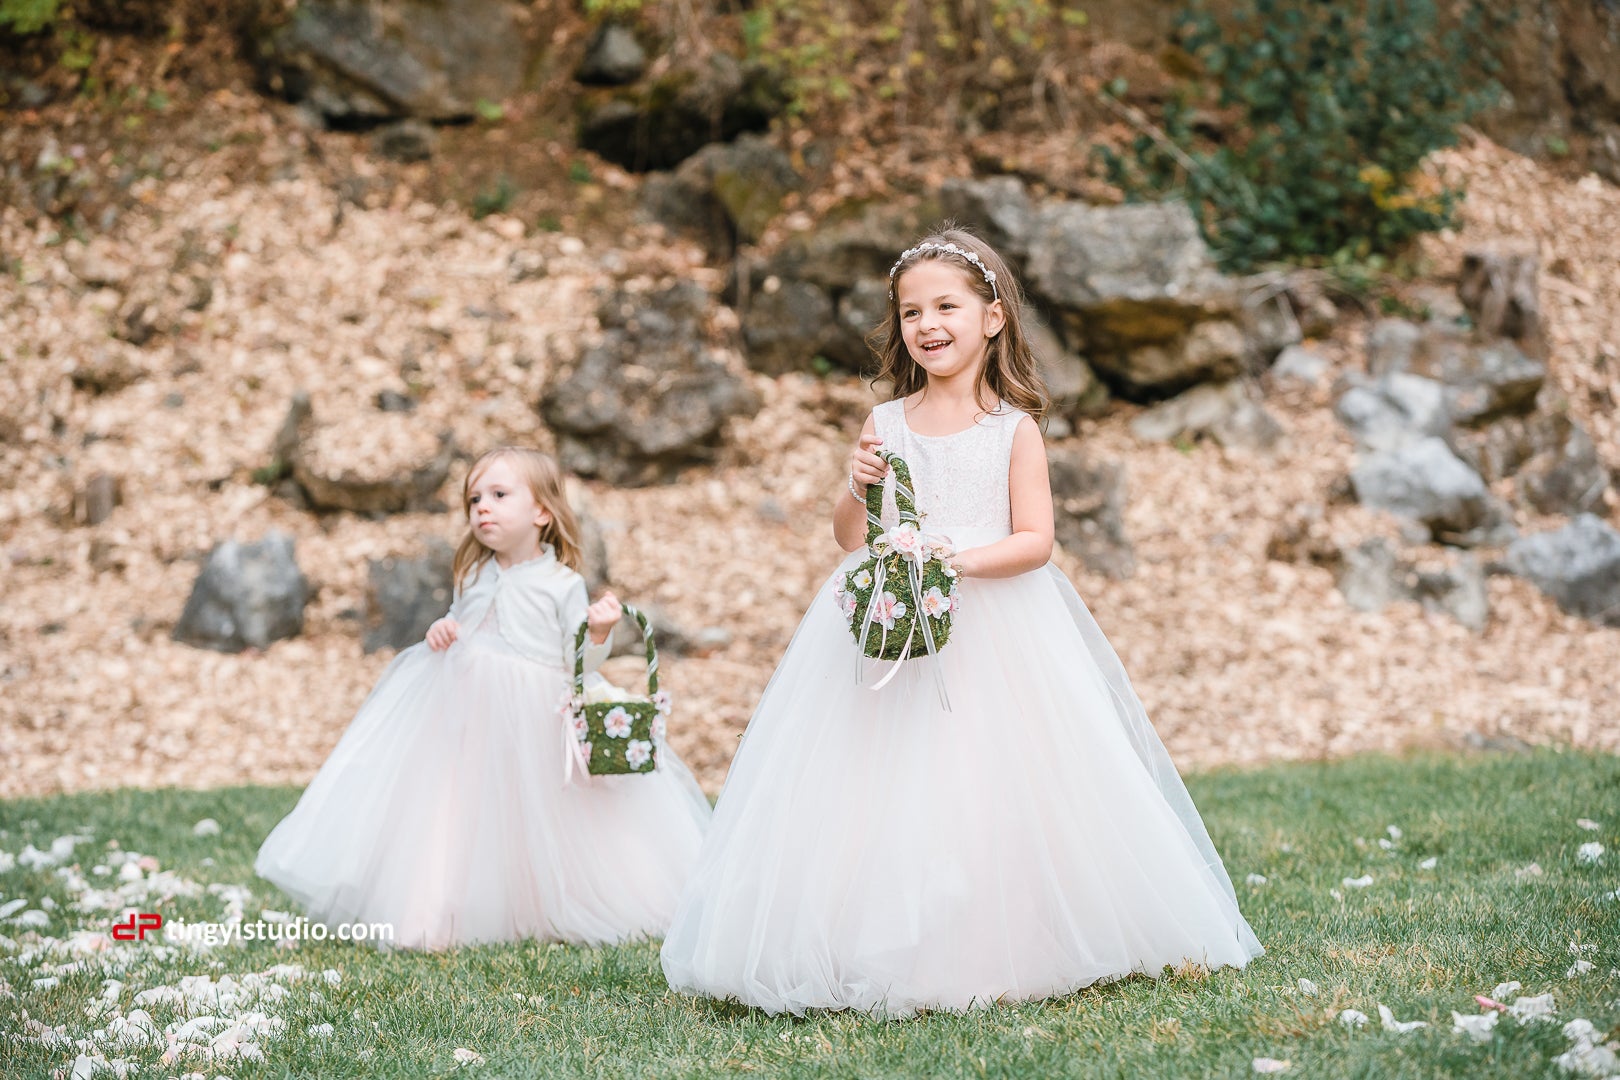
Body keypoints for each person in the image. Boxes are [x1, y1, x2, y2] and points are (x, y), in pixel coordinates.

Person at [660, 229, 1263, 1015]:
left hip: (993, 625)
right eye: (911, 311)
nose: (927, 323)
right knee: (877, 784)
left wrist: (954, 564)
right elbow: (850, 537)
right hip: (893, 623)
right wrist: (856, 483)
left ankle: (1000, 936)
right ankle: (866, 936)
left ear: (993, 318)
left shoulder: (1013, 429)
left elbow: (1035, 541)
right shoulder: (887, 421)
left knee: (989, 782)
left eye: (946, 305)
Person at [256, 447, 711, 950]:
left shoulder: (562, 585)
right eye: (474, 499)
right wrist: (443, 629)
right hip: (464, 710)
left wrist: (599, 632)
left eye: (498, 495)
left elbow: (576, 663)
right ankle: (433, 911)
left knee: (538, 812)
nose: (482, 508)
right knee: (453, 808)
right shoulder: (473, 575)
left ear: (542, 511)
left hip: (535, 714)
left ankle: (546, 904)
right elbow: (461, 622)